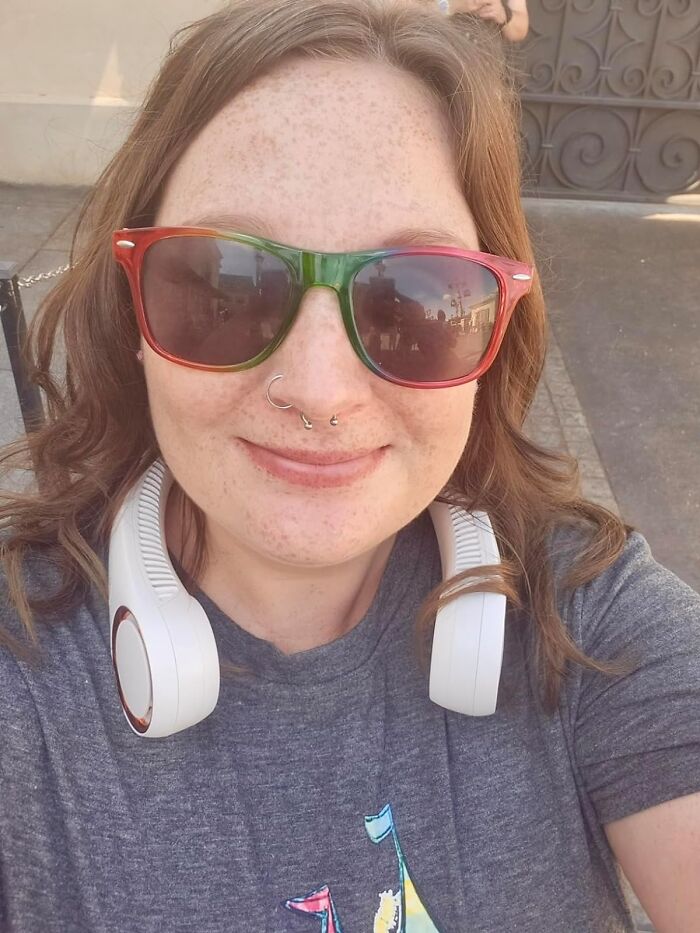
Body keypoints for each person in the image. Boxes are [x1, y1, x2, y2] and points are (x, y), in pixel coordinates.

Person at [1, 1, 699, 930]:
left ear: (496, 329)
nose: (321, 391)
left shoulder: (595, 622)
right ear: (133, 313)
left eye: (416, 298)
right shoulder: (23, 673)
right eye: (221, 284)